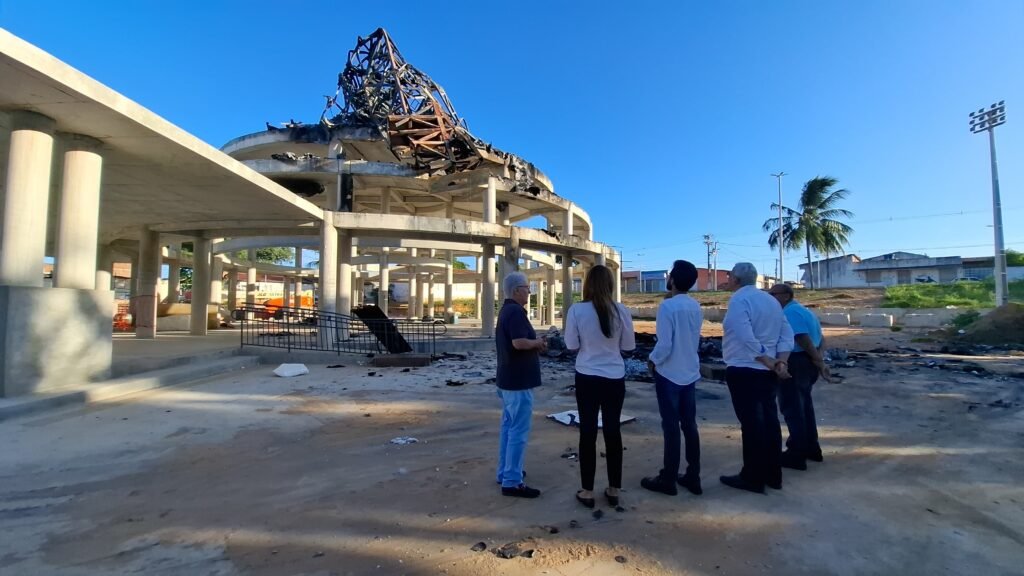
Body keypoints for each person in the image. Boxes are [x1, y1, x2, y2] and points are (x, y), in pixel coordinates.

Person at [564, 265, 636, 508]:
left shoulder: (577, 310)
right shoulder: (622, 311)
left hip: (586, 376)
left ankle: (587, 491)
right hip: (615, 377)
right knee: (613, 431)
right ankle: (614, 488)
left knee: (587, 433)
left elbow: (571, 345)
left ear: (588, 284)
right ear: (611, 284)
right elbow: (629, 347)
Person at [720, 263, 794, 494]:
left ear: (736, 279)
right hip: (767, 372)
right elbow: (786, 333)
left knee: (751, 425)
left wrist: (767, 360)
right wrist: (781, 361)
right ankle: (773, 475)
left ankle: (752, 477)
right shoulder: (770, 301)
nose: (729, 280)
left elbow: (744, 335)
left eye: (730, 276)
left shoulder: (740, 301)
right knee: (770, 423)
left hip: (745, 369)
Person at [640, 260, 704, 496]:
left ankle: (668, 478)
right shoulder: (695, 307)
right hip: (689, 372)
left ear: (673, 280)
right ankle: (693, 476)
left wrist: (653, 359)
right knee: (690, 426)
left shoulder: (667, 307)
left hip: (669, 374)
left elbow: (665, 344)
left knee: (671, 427)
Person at [495, 271, 547, 498]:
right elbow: (518, 343)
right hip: (518, 383)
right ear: (517, 290)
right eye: (527, 287)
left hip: (508, 380)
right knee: (518, 431)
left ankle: (505, 472)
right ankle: (513, 481)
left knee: (509, 427)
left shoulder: (506, 310)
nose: (529, 291)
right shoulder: (515, 312)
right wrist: (538, 342)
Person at [767, 283, 830, 470]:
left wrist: (818, 361)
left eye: (773, 294)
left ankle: (796, 454)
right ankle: (812, 448)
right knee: (805, 407)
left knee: (793, 408)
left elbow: (802, 338)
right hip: (807, 362)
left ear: (786, 296)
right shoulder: (804, 311)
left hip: (796, 361)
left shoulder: (790, 313)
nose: (771, 298)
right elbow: (821, 338)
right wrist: (818, 360)